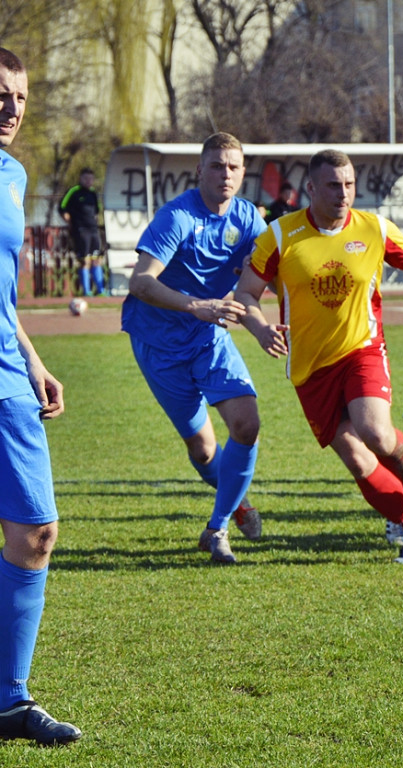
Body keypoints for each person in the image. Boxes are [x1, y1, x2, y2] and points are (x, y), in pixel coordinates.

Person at [234, 150, 403, 563]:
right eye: (334, 185)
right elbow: (245, 293)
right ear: (311, 189)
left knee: (376, 432)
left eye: (349, 184)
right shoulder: (279, 236)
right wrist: (261, 327)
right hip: (309, 368)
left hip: (361, 350)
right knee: (355, 457)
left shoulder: (374, 228)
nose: (344, 193)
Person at [123, 132, 266, 564]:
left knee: (246, 424)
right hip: (159, 344)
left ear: (242, 174)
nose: (226, 174)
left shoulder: (249, 219)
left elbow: (263, 281)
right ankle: (237, 503)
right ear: (200, 170)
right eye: (217, 165)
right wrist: (193, 305)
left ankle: (217, 527)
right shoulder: (177, 217)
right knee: (203, 449)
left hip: (209, 338)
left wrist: (261, 328)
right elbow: (141, 282)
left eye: (234, 167)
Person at [0, 46, 81, 746]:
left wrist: (33, 358)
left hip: (6, 376)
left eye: (20, 97)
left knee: (36, 534)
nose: (11, 108)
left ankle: (8, 700)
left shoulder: (15, 175)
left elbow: (3, 293)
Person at [60, 167, 106, 296]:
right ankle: (87, 291)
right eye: (86, 178)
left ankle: (101, 290)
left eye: (91, 178)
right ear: (81, 178)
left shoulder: (93, 193)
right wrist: (68, 218)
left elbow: (97, 211)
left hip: (93, 230)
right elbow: (62, 207)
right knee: (84, 260)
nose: (88, 181)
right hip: (81, 230)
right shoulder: (74, 192)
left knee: (97, 259)